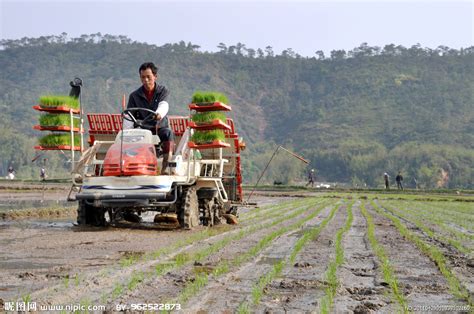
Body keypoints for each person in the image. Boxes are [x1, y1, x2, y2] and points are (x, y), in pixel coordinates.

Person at [124, 62, 175, 174]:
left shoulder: (163, 91)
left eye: (149, 77)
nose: (146, 80)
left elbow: (164, 105)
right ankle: (132, 166)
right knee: (131, 137)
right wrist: (127, 132)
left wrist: (159, 114)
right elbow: (129, 115)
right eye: (143, 77)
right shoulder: (134, 95)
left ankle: (166, 168)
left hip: (160, 126)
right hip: (143, 128)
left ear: (155, 77)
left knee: (168, 133)